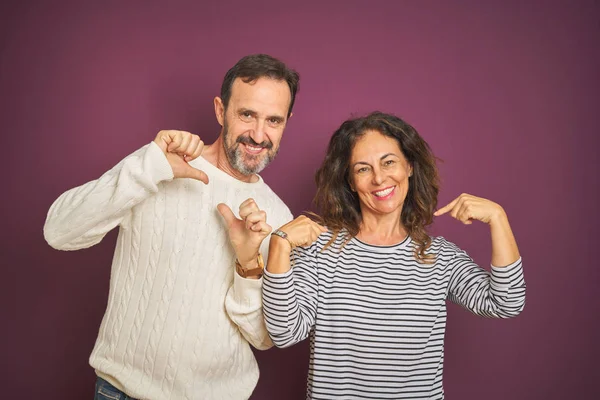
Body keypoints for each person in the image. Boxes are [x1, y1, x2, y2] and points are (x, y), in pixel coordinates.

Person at [44, 54, 299, 400]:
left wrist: (247, 264)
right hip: (119, 392)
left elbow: (263, 338)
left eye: (273, 120)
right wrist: (149, 169)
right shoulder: (159, 164)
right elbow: (59, 230)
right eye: (247, 114)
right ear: (221, 111)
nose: (258, 134)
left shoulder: (278, 217)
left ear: (286, 123)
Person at [262, 111, 526, 399]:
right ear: (350, 182)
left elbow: (506, 302)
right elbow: (284, 333)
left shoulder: (441, 258)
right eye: (363, 169)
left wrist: (498, 218)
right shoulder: (320, 249)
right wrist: (280, 243)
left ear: (409, 167)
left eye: (389, 162)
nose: (379, 178)